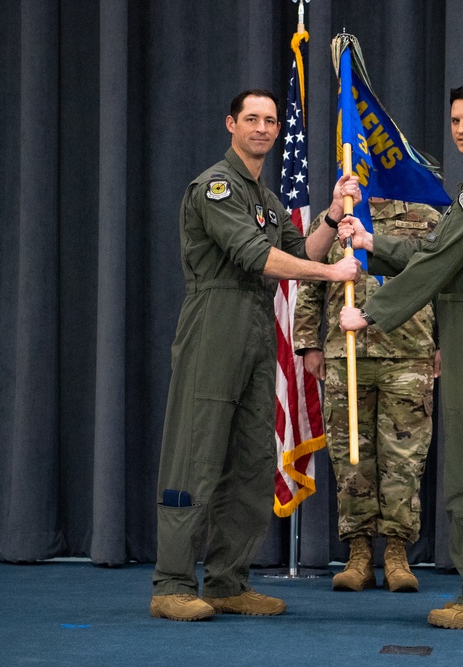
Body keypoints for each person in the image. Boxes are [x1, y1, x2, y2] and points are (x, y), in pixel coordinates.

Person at [150, 89, 362, 622]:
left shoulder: (266, 200)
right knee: (194, 456)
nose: (264, 128)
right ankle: (172, 583)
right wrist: (333, 274)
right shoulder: (216, 188)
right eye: (252, 119)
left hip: (255, 328)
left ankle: (226, 582)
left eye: (271, 120)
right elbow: (256, 256)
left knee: (251, 461)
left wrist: (334, 217)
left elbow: (297, 252)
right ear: (231, 124)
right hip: (213, 325)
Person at [339, 81, 463, 630]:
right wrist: (371, 243)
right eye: (455, 121)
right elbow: (436, 253)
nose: (460, 130)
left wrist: (372, 314)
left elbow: (437, 264)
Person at [293, 198, 440, 593]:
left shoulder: (425, 215)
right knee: (350, 458)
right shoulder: (340, 211)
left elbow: (441, 277)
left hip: (410, 353)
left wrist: (444, 343)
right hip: (346, 352)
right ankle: (358, 553)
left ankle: (396, 553)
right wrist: (308, 342)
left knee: (404, 461)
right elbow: (312, 275)